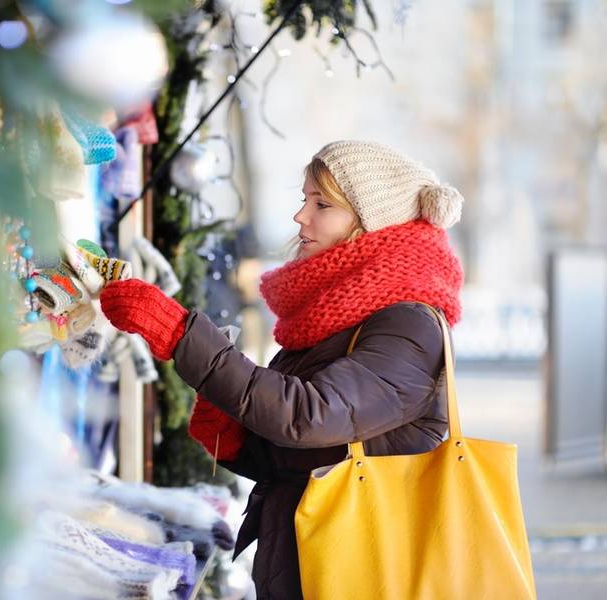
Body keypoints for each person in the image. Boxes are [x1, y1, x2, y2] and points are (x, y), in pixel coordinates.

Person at [100, 140, 464, 599]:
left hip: (365, 574)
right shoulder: (339, 318)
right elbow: (309, 459)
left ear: (370, 224)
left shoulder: (408, 323)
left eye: (322, 204)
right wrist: (238, 442)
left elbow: (308, 416)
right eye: (304, 199)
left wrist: (182, 336)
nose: (300, 217)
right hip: (304, 566)